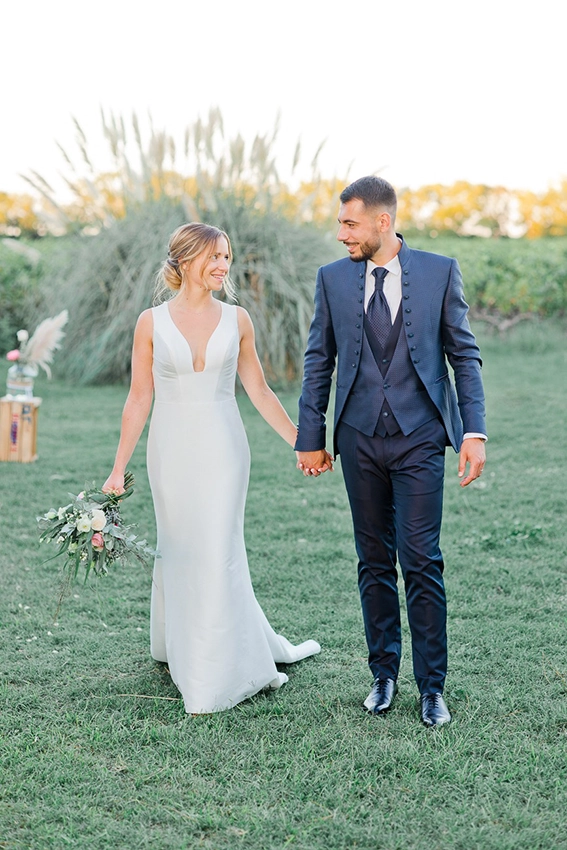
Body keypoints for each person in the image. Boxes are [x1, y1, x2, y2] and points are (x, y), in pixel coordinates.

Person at [103, 222, 320, 714]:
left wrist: (303, 443)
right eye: (214, 256)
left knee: (220, 549)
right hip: (170, 452)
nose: (224, 265)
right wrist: (118, 469)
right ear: (184, 260)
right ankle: (181, 646)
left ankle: (215, 673)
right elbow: (138, 398)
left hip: (225, 450)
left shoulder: (237, 320)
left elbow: (258, 389)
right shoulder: (150, 323)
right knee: (181, 549)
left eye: (226, 256)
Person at [295, 177, 486, 727]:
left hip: (419, 437)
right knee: (373, 560)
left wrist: (474, 432)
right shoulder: (332, 279)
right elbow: (319, 360)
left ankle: (432, 687)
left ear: (383, 221)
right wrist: (311, 436)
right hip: (358, 438)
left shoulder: (439, 271)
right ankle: (383, 675)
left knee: (421, 559)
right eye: (340, 223)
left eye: (349, 224)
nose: (341, 234)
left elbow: (463, 356)